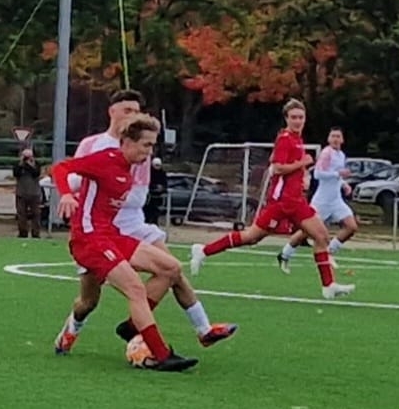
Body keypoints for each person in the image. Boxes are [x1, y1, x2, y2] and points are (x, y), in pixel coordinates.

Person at [54, 90, 234, 354]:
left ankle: (200, 329)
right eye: (127, 110)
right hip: (95, 229)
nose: (132, 114)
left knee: (172, 270)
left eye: (136, 110)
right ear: (112, 112)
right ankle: (72, 330)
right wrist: (70, 194)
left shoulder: (142, 145)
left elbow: (140, 190)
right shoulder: (94, 145)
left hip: (131, 223)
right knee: (88, 301)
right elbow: (70, 175)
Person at [50, 115, 198, 372]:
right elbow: (61, 168)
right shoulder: (105, 159)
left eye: (152, 146)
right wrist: (66, 195)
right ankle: (161, 355)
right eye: (146, 145)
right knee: (120, 293)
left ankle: (132, 327)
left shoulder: (128, 168)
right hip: (89, 238)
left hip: (110, 235)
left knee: (171, 268)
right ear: (127, 142)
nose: (149, 152)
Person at [191, 99, 355, 300]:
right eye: (293, 117)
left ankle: (328, 285)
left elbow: (279, 164)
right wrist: (302, 163)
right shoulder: (285, 139)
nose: (298, 121)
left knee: (321, 236)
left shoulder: (297, 139)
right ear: (286, 118)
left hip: (296, 201)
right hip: (281, 202)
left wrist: (302, 175)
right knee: (251, 237)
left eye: (301, 117)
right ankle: (203, 250)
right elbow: (277, 168)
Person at [279, 127, 360, 269]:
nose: (335, 139)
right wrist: (338, 175)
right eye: (333, 136)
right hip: (322, 201)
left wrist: (343, 184)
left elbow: (335, 174)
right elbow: (318, 174)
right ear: (328, 139)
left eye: (338, 136)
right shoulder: (326, 153)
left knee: (351, 227)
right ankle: (285, 253)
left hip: (336, 200)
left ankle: (329, 252)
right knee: (306, 232)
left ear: (342, 139)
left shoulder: (341, 155)